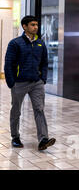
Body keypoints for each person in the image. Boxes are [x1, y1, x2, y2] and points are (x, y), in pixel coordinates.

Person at [4, 15, 56, 151]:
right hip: (19, 83)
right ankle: (15, 137)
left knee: (39, 109)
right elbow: (9, 64)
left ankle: (43, 139)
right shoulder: (15, 43)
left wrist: (42, 78)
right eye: (33, 25)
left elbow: (45, 62)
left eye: (36, 25)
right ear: (24, 27)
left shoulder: (40, 43)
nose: (36, 27)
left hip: (37, 83)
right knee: (16, 110)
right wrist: (11, 83)